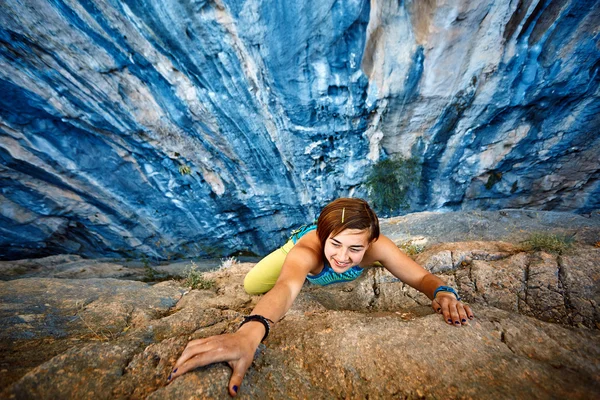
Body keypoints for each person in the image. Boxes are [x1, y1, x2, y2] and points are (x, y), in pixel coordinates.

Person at [169, 198, 474, 396]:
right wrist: (248, 334)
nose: (343, 256)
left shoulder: (378, 247)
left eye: (356, 248)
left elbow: (421, 276)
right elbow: (286, 287)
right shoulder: (309, 250)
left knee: (369, 263)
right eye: (336, 243)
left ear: (370, 243)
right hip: (298, 256)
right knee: (252, 284)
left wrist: (443, 292)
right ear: (324, 236)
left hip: (342, 254)